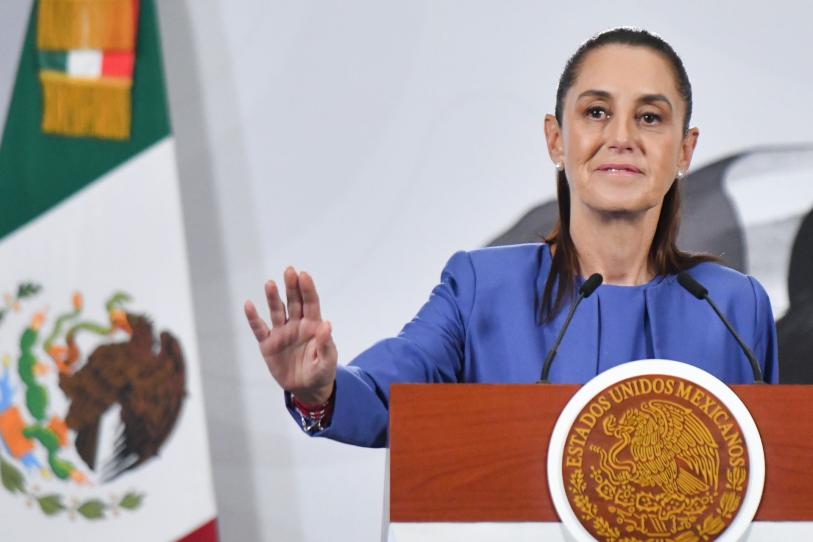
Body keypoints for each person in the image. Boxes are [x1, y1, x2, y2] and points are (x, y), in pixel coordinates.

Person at [244, 28, 779, 448]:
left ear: (685, 151)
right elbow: (391, 390)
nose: (622, 138)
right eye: (597, 112)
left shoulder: (734, 308)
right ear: (555, 138)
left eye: (649, 117)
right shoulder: (482, 288)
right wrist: (322, 391)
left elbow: (773, 472)